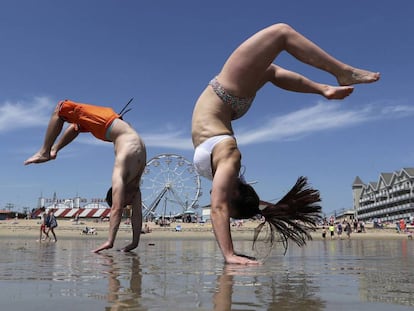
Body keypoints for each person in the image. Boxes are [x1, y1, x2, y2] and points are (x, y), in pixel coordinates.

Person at [191, 23, 379, 264]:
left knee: (271, 71)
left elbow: (244, 203)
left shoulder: (231, 174)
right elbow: (219, 208)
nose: (216, 197)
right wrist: (229, 255)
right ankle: (342, 72)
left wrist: (267, 209)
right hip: (227, 94)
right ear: (233, 192)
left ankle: (324, 89)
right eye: (228, 202)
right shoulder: (229, 161)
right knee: (281, 33)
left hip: (230, 101)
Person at [24, 99, 146, 253]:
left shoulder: (121, 175)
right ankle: (51, 151)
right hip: (112, 125)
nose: (127, 205)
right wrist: (127, 242)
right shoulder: (133, 185)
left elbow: (120, 210)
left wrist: (115, 241)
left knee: (65, 112)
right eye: (126, 203)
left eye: (125, 203)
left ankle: (46, 151)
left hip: (110, 124)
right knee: (70, 118)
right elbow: (129, 212)